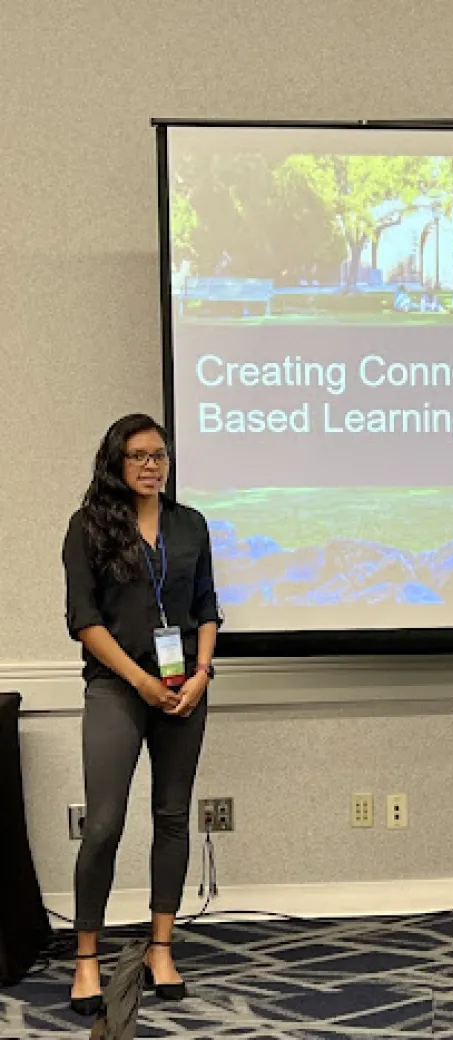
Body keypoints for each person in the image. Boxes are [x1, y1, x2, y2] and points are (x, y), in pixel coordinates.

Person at [62, 414, 221, 1015]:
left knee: (173, 817)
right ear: (116, 462)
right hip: (117, 688)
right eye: (139, 456)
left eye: (160, 455)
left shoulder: (190, 524)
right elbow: (84, 620)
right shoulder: (88, 527)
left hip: (184, 689)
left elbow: (206, 606)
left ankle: (161, 947)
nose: (152, 466)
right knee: (104, 823)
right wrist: (140, 681)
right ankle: (86, 957)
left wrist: (201, 673)